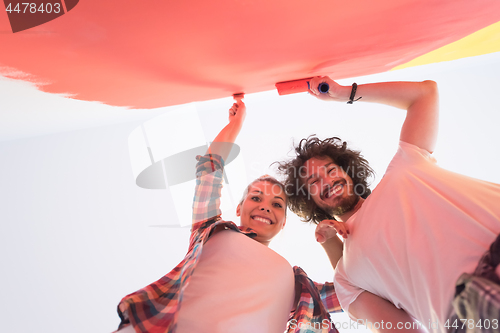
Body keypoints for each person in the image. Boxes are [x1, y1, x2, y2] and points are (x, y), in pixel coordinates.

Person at [276, 76, 500, 333]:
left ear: (348, 171)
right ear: (309, 200)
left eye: (330, 169)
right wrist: (329, 242)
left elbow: (425, 94)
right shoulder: (347, 279)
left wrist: (343, 93)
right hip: (475, 314)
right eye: (314, 180)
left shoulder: (405, 166)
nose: (327, 180)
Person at [114, 97, 343, 333]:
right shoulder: (211, 229)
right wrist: (236, 124)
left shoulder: (296, 286)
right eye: (256, 198)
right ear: (238, 209)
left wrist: (330, 240)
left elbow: (350, 291)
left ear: (284, 222)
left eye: (276, 204)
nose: (265, 207)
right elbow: (210, 169)